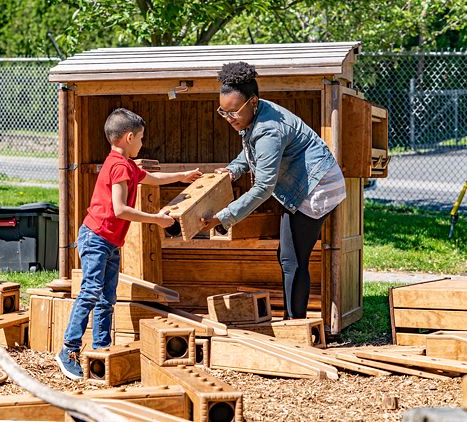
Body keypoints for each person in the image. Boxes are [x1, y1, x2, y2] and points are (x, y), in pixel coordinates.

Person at [56, 107, 202, 380]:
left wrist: (182, 176)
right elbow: (120, 209)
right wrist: (155, 220)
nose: (143, 143)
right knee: (90, 292)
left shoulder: (123, 164)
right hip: (97, 238)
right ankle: (69, 349)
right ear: (130, 137)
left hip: (109, 242)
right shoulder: (120, 166)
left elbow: (152, 178)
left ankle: (101, 350)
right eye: (142, 138)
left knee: (106, 299)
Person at [200, 61, 346, 320]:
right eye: (223, 112)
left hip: (318, 186)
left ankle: (294, 323)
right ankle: (294, 320)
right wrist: (233, 170)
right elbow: (253, 154)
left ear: (253, 102)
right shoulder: (257, 116)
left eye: (233, 112)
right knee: (290, 257)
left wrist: (225, 217)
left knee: (291, 258)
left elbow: (264, 186)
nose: (229, 118)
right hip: (308, 183)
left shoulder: (269, 129)